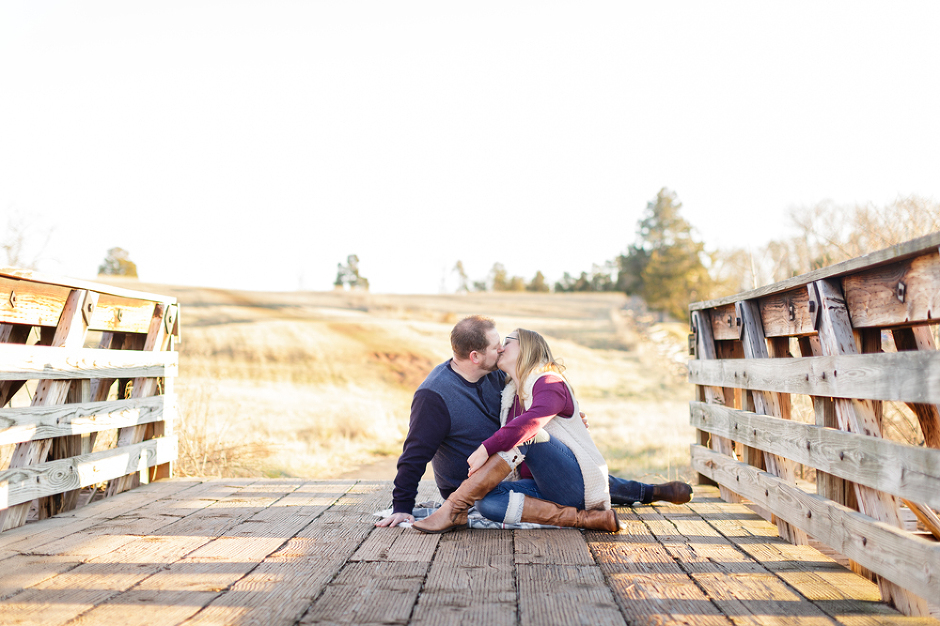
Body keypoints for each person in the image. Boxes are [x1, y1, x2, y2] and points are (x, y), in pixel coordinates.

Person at [375, 315, 692, 529]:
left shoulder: (506, 377)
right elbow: (414, 454)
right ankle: (598, 513)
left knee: (548, 450)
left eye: (505, 343)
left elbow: (532, 416)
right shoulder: (436, 395)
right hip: (483, 481)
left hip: (514, 468)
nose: (500, 349)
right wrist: (401, 505)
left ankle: (647, 492)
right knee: (494, 500)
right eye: (495, 346)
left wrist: (560, 418)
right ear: (474, 356)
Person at [414, 326, 618, 533]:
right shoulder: (510, 394)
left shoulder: (549, 381)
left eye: (507, 342)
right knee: (486, 502)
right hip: (539, 488)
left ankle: (455, 507)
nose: (501, 349)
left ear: (527, 348)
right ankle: (585, 519)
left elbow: (531, 423)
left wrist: (485, 448)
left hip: (572, 485)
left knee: (530, 436)